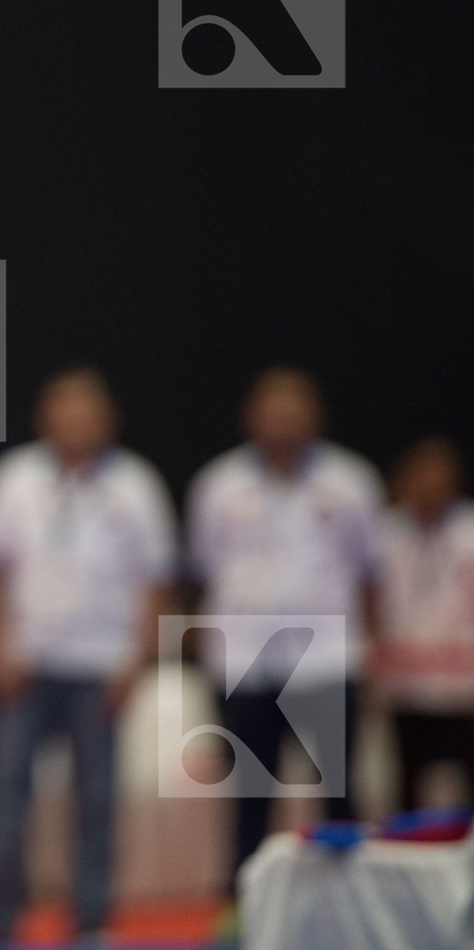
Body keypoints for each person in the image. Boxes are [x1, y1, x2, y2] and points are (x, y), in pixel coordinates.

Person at [0, 368, 175, 943]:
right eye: (65, 413)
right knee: (4, 803)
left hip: (101, 668)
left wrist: (139, 661)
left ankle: (90, 924)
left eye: (88, 414)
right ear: (44, 419)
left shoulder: (136, 484)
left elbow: (157, 582)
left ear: (109, 422)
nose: (76, 425)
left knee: (98, 802)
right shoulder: (15, 479)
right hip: (23, 666)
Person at [188, 367, 381, 879]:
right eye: (273, 414)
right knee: (250, 796)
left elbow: (369, 573)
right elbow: (207, 570)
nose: (284, 424)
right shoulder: (218, 486)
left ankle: (348, 907)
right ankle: (246, 906)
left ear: (315, 418)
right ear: (249, 419)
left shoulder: (351, 482)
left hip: (326, 660)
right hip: (247, 662)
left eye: (294, 413)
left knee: (339, 792)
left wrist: (371, 652)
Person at [374, 436, 474, 812]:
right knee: (406, 781)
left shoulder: (469, 533)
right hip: (406, 683)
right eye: (421, 482)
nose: (430, 492)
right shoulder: (384, 535)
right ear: (403, 483)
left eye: (439, 483)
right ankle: (409, 860)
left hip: (464, 685)